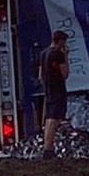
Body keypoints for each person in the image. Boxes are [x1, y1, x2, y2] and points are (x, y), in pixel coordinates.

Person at [38, 29, 70, 160]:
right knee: (53, 118)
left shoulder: (43, 53)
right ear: (61, 41)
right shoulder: (58, 54)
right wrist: (66, 56)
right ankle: (48, 149)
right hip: (58, 88)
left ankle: (47, 146)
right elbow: (65, 74)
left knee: (49, 118)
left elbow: (40, 75)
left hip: (48, 88)